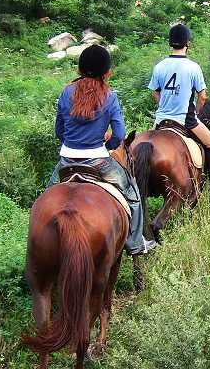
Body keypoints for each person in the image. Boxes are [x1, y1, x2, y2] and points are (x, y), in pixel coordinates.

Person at [48, 44, 156, 256]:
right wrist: (104, 147)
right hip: (98, 161)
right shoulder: (110, 95)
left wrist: (72, 143)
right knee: (132, 196)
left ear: (79, 69)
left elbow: (59, 130)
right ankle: (135, 244)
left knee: (44, 200)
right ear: (107, 72)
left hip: (67, 160)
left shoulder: (66, 92)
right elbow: (118, 134)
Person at [149, 23, 210, 194]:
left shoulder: (159, 66)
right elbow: (203, 96)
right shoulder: (193, 67)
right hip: (186, 119)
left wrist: (164, 105)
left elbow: (155, 93)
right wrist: (198, 112)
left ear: (170, 43)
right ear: (188, 44)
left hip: (161, 119)